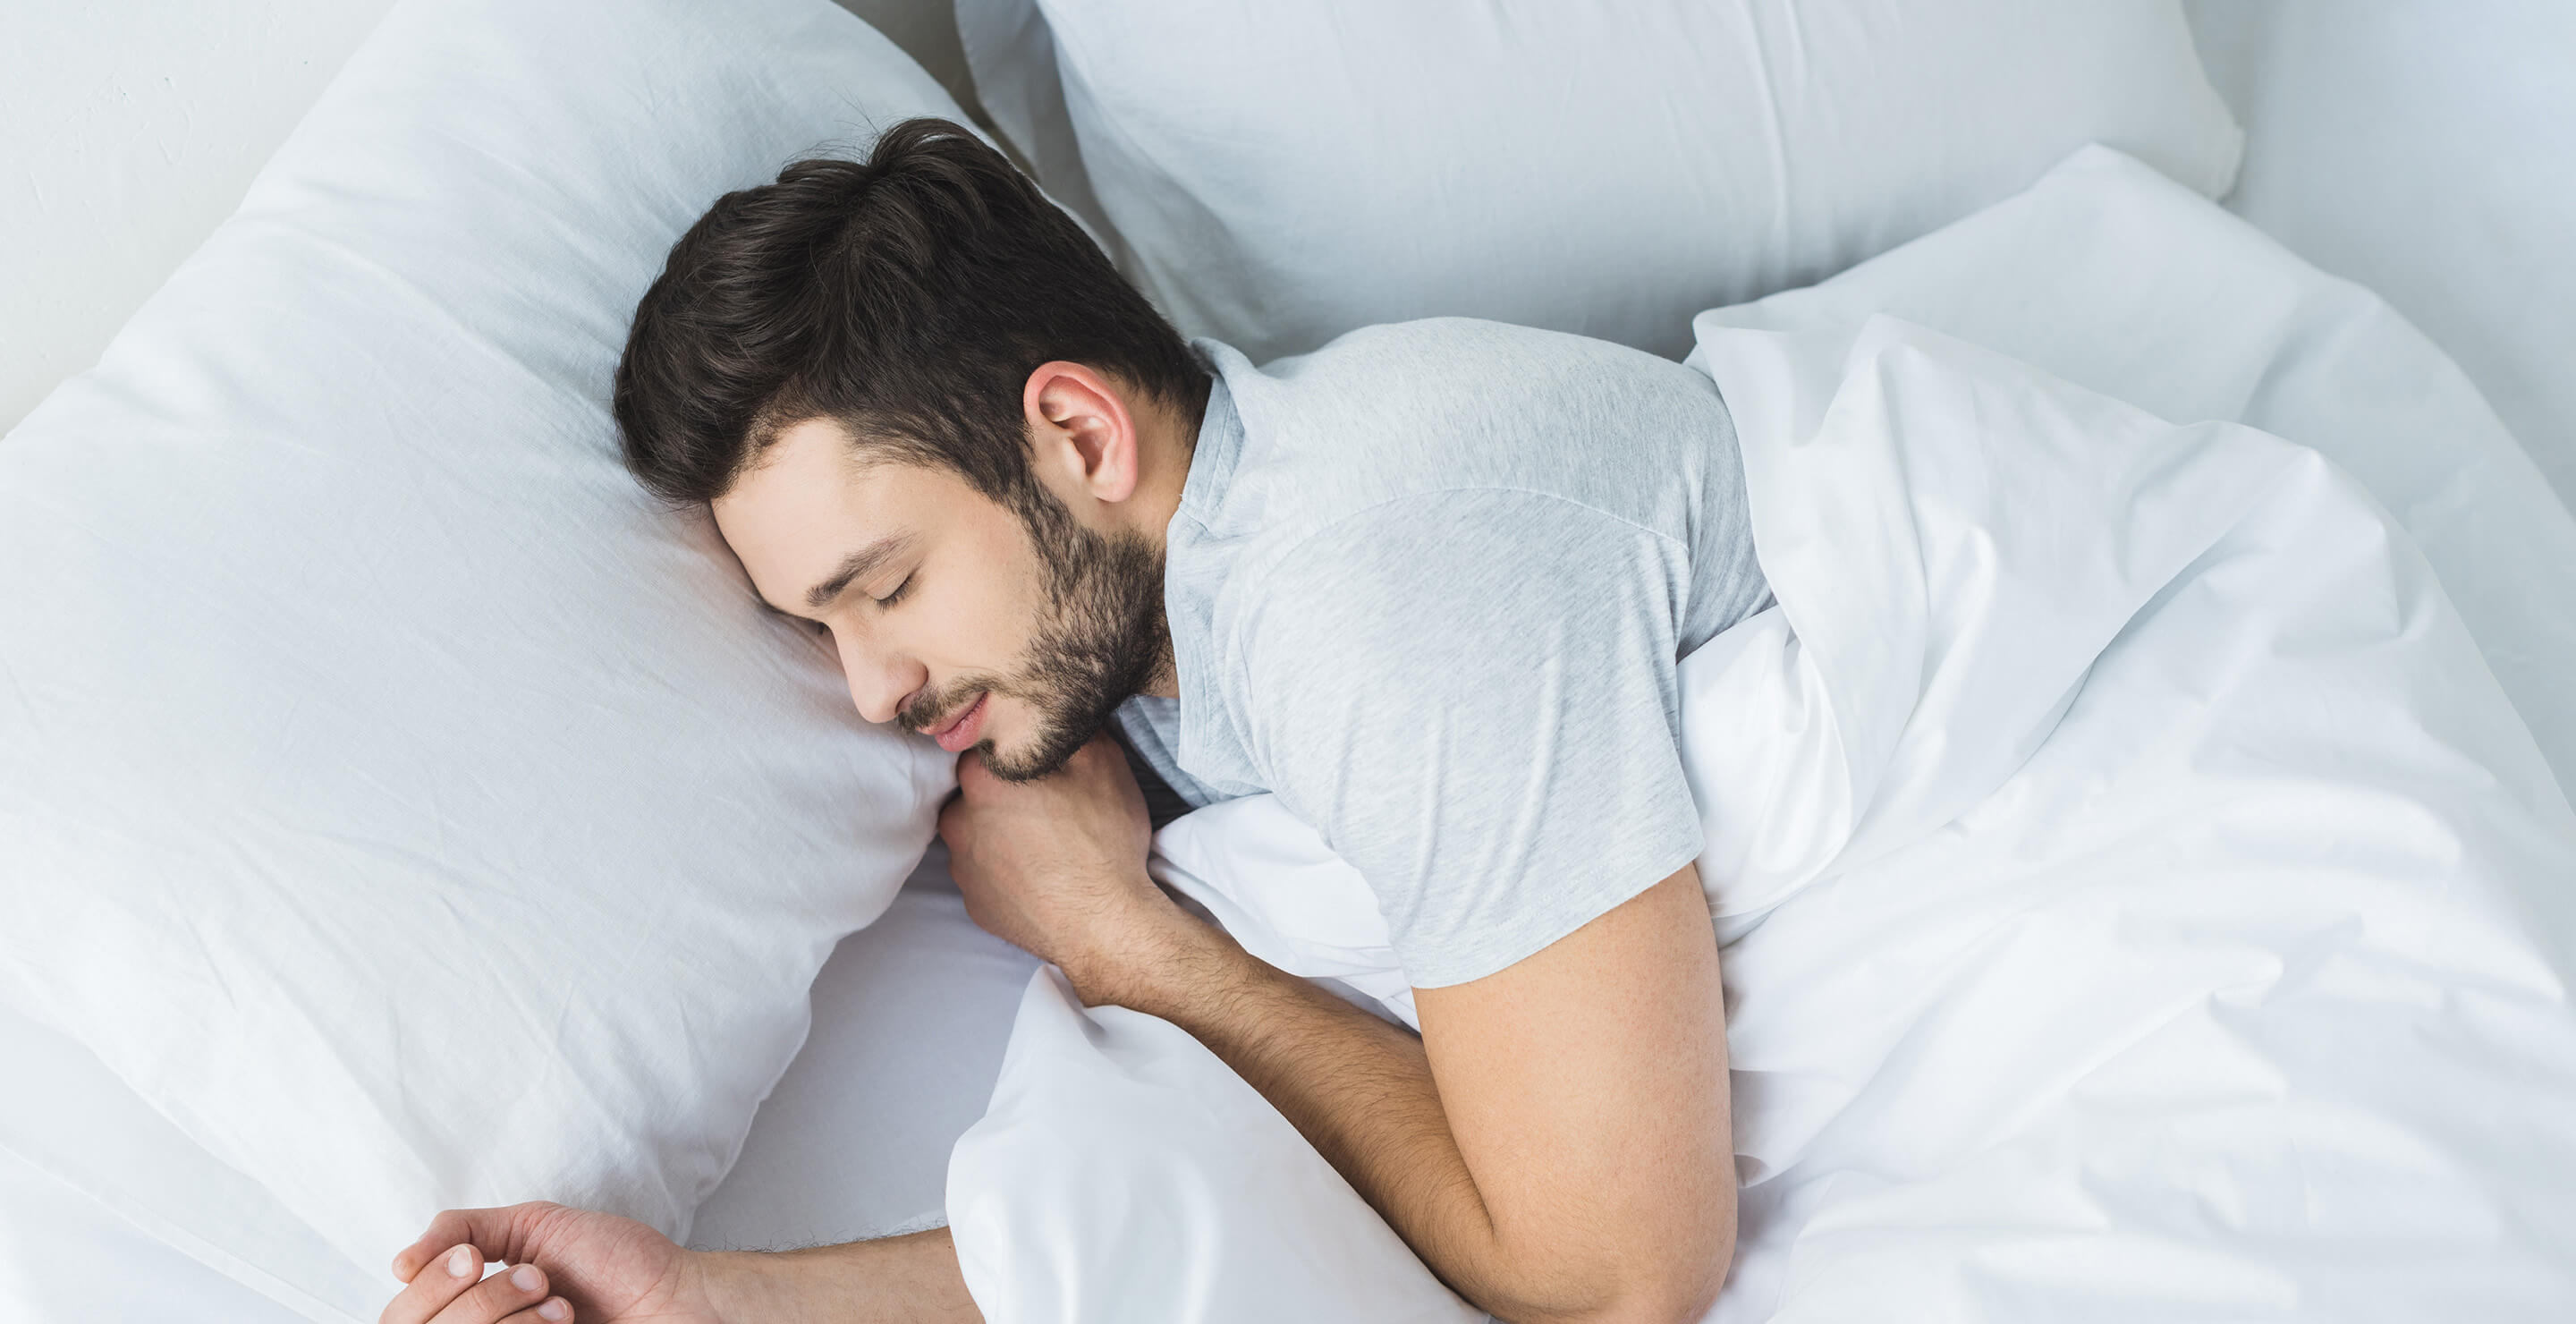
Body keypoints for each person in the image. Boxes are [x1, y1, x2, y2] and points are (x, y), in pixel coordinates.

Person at [378, 116, 1765, 1324]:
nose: (869, 691)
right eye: (820, 630)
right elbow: (1231, 1215)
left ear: (1083, 439)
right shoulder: (1141, 669)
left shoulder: (1371, 575)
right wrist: (718, 1304)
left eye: (887, 588)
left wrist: (1124, 945)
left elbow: (1618, 1276)